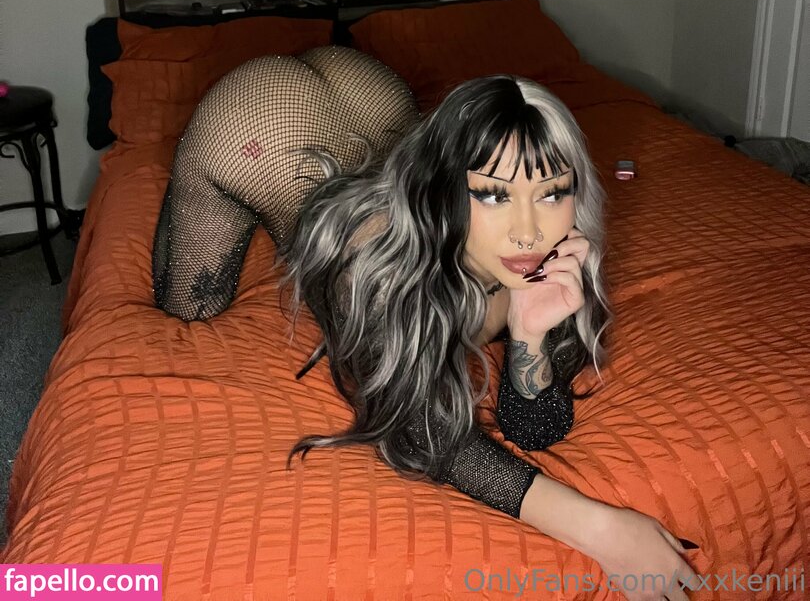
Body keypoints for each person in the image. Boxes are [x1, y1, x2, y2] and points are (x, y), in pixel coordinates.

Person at [153, 46, 697, 601]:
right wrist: (603, 531)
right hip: (253, 124)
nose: (528, 233)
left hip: (368, 93)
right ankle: (197, 176)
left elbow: (535, 429)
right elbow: (425, 432)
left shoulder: (554, 257)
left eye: (551, 192)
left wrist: (530, 332)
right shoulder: (380, 273)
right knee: (190, 310)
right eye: (494, 194)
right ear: (441, 192)